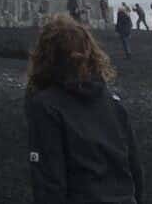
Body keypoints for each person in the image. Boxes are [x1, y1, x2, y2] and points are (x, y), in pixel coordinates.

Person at [25, 14, 144, 204]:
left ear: (45, 56)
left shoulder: (46, 106)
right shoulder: (114, 103)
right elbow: (134, 170)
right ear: (90, 53)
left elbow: (49, 183)